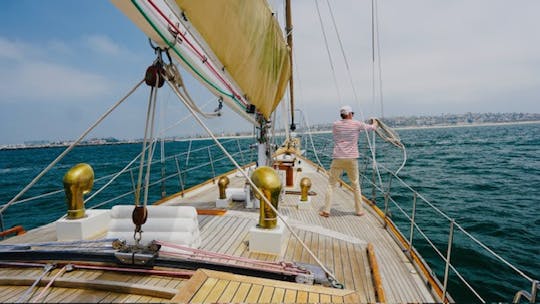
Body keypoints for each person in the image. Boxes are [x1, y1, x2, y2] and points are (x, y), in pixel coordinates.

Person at [319, 105, 378, 218]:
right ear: (350, 114)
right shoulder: (356, 124)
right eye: (353, 113)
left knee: (331, 185)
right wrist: (375, 121)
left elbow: (342, 133)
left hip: (338, 158)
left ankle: (326, 210)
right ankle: (359, 211)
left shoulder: (335, 125)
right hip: (351, 159)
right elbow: (373, 128)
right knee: (355, 184)